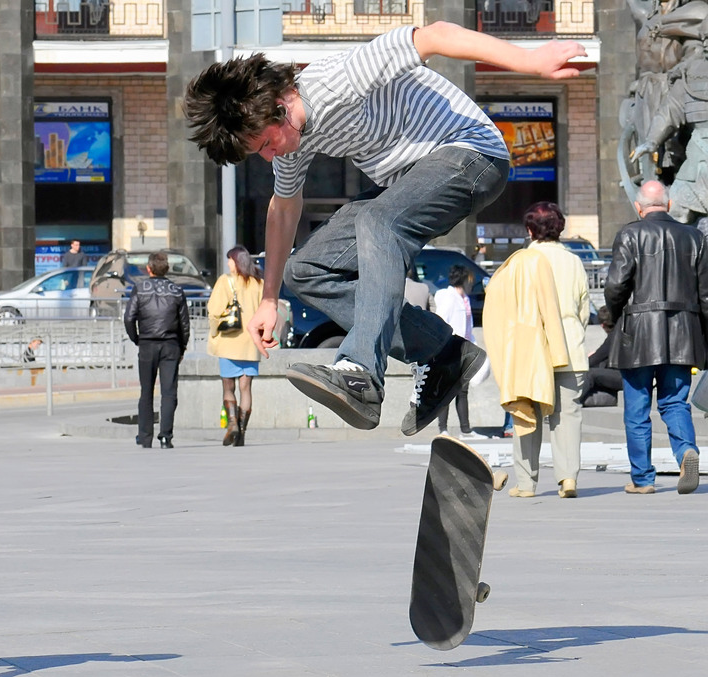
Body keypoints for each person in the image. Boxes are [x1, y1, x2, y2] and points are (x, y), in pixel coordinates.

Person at [184, 21, 586, 436]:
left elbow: (435, 36)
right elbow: (282, 209)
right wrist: (268, 298)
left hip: (471, 153)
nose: (269, 157)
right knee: (306, 271)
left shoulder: (337, 80)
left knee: (379, 220)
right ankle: (443, 353)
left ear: (277, 107)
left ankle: (360, 372)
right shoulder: (292, 145)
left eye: (265, 144)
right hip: (411, 181)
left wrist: (528, 60)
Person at [604, 180, 708, 494]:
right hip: (682, 332)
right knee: (675, 403)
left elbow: (615, 285)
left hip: (637, 333)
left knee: (637, 409)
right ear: (670, 203)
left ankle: (643, 479)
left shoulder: (630, 233)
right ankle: (685, 452)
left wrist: (613, 314)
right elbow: (706, 295)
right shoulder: (695, 237)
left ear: (639, 207)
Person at [506, 203, 590, 498]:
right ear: (560, 228)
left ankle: (526, 483)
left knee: (527, 414)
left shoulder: (522, 261)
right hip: (570, 349)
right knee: (567, 417)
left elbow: (510, 308)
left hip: (532, 351)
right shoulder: (574, 261)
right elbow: (583, 309)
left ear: (529, 230)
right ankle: (568, 478)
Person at [124, 251, 190, 449]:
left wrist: (137, 338)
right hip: (171, 345)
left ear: (149, 268)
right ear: (167, 269)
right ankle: (165, 436)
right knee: (169, 393)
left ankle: (145, 437)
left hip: (147, 344)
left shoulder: (140, 288)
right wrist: (182, 346)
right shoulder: (176, 290)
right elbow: (185, 324)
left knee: (146, 392)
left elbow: (129, 317)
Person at [207, 245, 264, 447]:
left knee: (228, 387)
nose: (228, 263)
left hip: (229, 341)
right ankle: (242, 434)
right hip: (251, 343)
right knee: (246, 388)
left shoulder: (225, 281)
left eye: (229, 259)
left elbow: (214, 311)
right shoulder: (259, 283)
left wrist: (214, 333)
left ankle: (232, 424)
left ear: (236, 261)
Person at [433, 265, 476, 436]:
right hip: (450, 350)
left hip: (464, 350)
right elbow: (441, 322)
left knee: (463, 390)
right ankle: (443, 429)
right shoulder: (449, 298)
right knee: (446, 391)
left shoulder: (464, 298)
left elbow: (469, 327)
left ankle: (465, 429)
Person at [580, 305, 624, 407]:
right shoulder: (620, 332)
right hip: (629, 376)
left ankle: (570, 402)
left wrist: (581, 363)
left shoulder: (615, 336)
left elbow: (596, 358)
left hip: (625, 377)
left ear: (603, 325)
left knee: (590, 373)